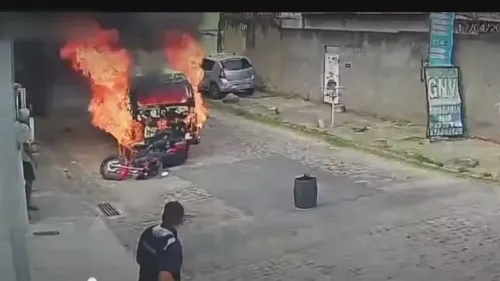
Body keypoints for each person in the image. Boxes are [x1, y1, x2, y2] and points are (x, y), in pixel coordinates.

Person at [137, 201, 184, 281]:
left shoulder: (148, 232)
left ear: (163, 216)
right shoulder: (172, 245)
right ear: (179, 221)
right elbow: (165, 276)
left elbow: (139, 259)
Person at [14, 108, 38, 211]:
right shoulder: (25, 128)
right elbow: (26, 146)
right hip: (25, 159)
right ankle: (26, 204)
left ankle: (23, 204)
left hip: (16, 158)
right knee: (29, 181)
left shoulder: (15, 125)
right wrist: (33, 159)